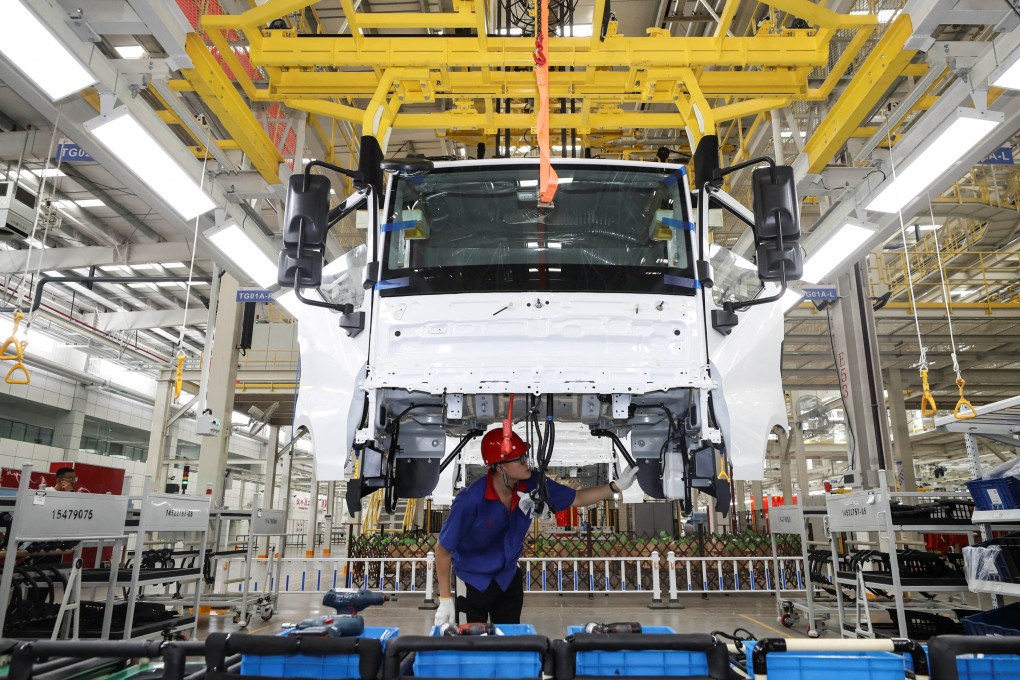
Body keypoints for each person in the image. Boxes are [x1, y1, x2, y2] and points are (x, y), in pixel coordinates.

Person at [433, 428, 638, 627]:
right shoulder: (470, 500)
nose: (526, 462)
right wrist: (445, 598)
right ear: (499, 466)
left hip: (507, 578)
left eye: (525, 455)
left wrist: (616, 486)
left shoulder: (533, 484)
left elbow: (577, 498)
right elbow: (442, 550)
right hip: (472, 581)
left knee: (510, 640)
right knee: (471, 646)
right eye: (520, 458)